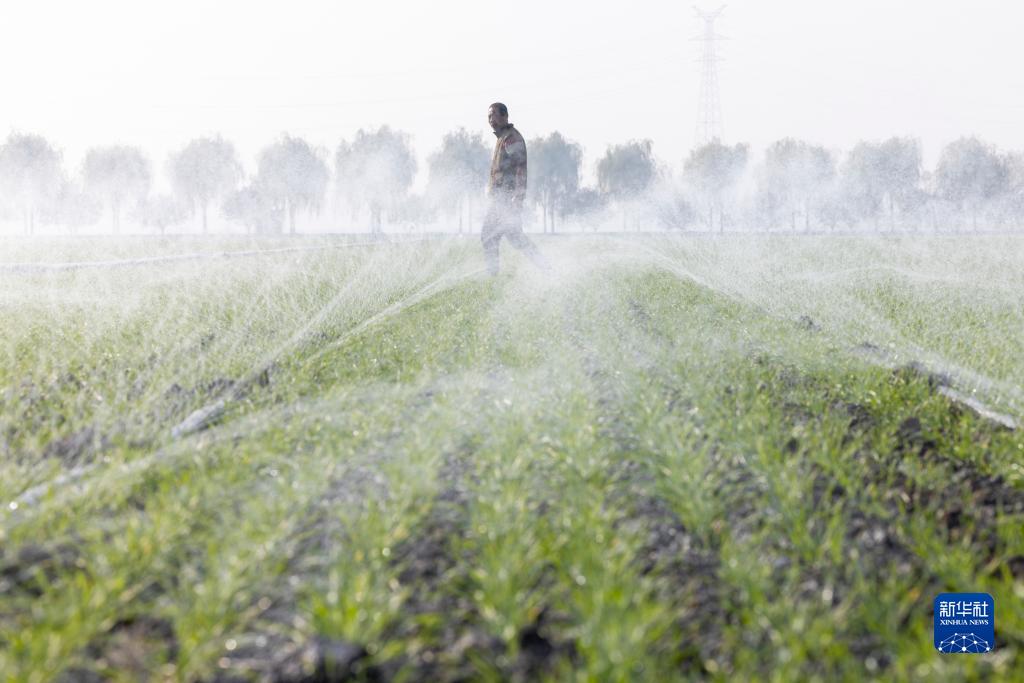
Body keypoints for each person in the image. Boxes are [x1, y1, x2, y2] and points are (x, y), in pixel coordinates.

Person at [481, 102, 547, 275]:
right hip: (501, 199)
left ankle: (492, 275)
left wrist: (518, 198)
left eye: (494, 115)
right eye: (488, 117)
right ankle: (546, 268)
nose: (491, 120)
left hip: (506, 200)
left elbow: (520, 169)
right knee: (514, 239)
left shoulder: (511, 139)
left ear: (505, 116)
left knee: (488, 236)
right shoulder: (502, 138)